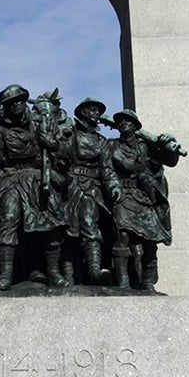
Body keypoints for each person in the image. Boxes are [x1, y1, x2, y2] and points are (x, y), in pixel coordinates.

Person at [0, 84, 61, 289]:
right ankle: (6, 274)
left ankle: (53, 272)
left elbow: (63, 155)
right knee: (8, 218)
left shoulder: (41, 123)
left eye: (19, 100)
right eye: (11, 103)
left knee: (51, 221)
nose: (16, 105)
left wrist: (52, 144)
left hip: (38, 177)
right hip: (12, 177)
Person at [107, 110, 185, 290]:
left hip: (143, 197)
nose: (124, 124)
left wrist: (169, 142)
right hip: (122, 194)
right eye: (121, 121)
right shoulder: (111, 145)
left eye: (128, 121)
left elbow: (169, 160)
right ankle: (123, 282)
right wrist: (113, 186)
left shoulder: (146, 147)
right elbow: (107, 168)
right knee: (123, 235)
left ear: (135, 126)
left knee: (150, 243)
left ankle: (148, 283)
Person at [60, 98, 121, 284]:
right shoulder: (71, 134)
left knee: (89, 223)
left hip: (92, 188)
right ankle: (68, 275)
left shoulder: (102, 141)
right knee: (67, 229)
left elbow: (107, 168)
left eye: (98, 111)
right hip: (70, 186)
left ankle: (94, 271)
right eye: (92, 110)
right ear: (83, 113)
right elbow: (61, 157)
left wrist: (113, 185)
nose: (96, 113)